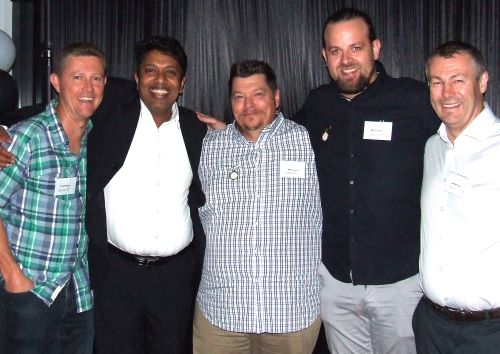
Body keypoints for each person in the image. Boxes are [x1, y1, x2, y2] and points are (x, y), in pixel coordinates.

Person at [293, 8, 440, 353]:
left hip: (400, 284)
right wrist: (234, 133)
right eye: (336, 51)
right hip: (336, 283)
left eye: (355, 48)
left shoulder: (414, 100)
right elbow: (279, 142)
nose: (346, 60)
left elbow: (463, 137)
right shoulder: (318, 104)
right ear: (324, 57)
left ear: (376, 48)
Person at [85, 36, 206, 354]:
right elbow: (65, 106)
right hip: (116, 276)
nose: (160, 80)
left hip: (175, 279)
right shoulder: (109, 117)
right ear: (136, 78)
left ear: (183, 83)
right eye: (151, 70)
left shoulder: (197, 130)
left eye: (170, 72)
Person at [193, 60, 322, 354]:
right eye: (239, 97)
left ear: (276, 97)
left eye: (258, 94)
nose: (248, 105)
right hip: (221, 316)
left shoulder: (308, 141)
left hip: (291, 316)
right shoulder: (208, 147)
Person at [0, 42, 106, 354]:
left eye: (96, 78)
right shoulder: (27, 137)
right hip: (30, 292)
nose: (88, 87)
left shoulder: (96, 139)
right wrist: (13, 276)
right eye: (77, 77)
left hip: (79, 293)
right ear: (56, 82)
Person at [413, 41, 500, 353]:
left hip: (489, 333)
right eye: (437, 82)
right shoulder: (432, 147)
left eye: (458, 80)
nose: (446, 93)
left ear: (483, 81)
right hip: (432, 325)